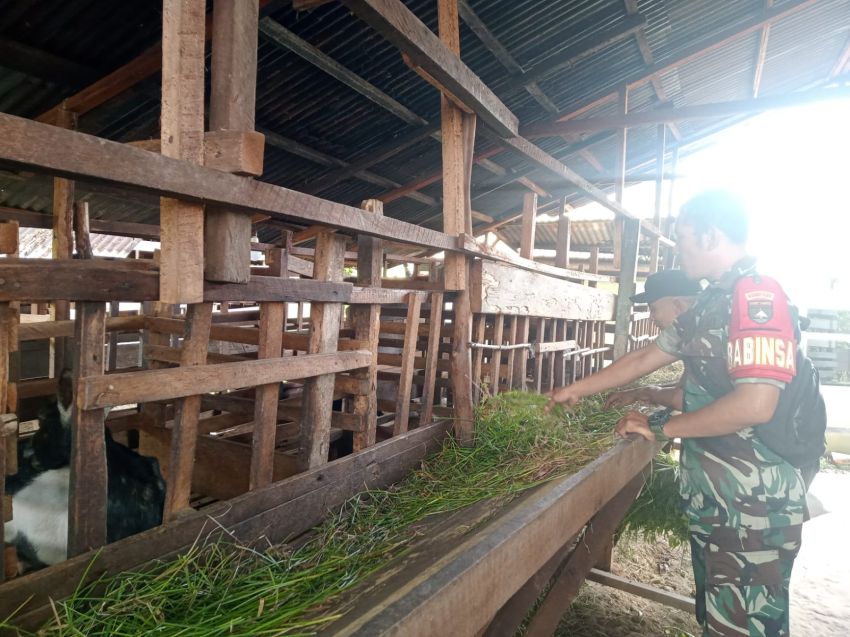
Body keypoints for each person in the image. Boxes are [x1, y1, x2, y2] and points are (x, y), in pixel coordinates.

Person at [547, 190, 806, 637]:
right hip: (719, 502)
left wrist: (662, 425)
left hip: (752, 509)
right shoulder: (709, 302)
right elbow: (648, 356)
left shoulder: (756, 297)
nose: (679, 246)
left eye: (684, 236)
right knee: (719, 619)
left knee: (745, 627)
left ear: (709, 235)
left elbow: (756, 404)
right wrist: (577, 389)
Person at [604, 268, 701, 410]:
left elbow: (685, 399)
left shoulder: (704, 339)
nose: (651, 318)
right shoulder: (693, 332)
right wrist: (638, 392)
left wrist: (647, 392)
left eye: (653, 309)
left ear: (678, 305)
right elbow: (685, 386)